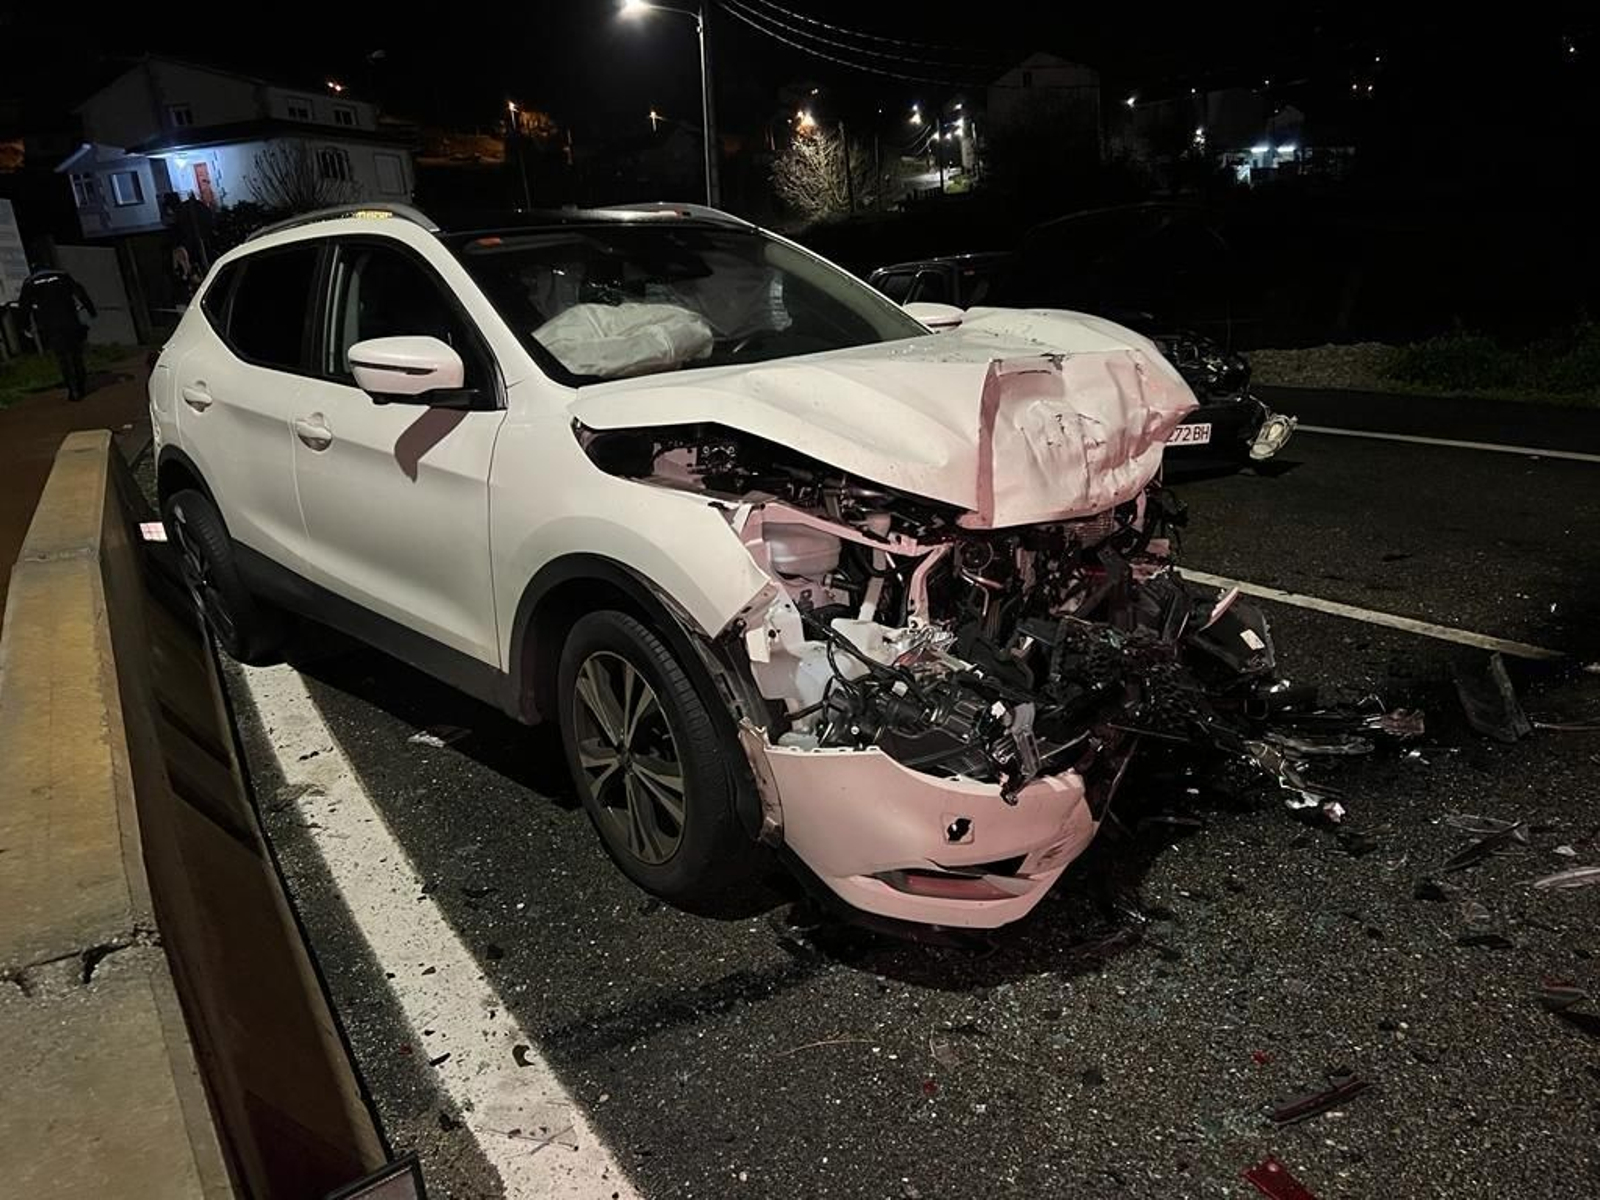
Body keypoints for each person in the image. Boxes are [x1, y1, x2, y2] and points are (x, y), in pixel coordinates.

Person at [17, 264, 97, 401]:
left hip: (50, 324)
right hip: (70, 320)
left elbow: (24, 306)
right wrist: (91, 310)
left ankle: (73, 389)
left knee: (63, 357)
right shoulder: (62, 276)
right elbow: (80, 292)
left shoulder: (30, 282)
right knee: (76, 353)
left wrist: (25, 327)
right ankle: (81, 384)